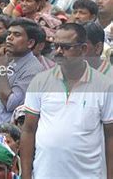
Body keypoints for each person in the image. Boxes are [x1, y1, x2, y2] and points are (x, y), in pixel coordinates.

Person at [21, 23, 113, 179]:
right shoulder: (40, 81)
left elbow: (110, 136)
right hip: (45, 174)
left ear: (83, 49)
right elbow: (28, 130)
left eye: (65, 47)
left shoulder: (104, 86)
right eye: (56, 46)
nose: (58, 52)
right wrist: (26, 175)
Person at [0, 18, 43, 125]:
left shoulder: (33, 70)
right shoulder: (11, 61)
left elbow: (10, 104)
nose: (9, 38)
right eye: (9, 33)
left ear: (30, 43)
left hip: (13, 135)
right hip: (0, 127)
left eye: (17, 35)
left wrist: (1, 69)